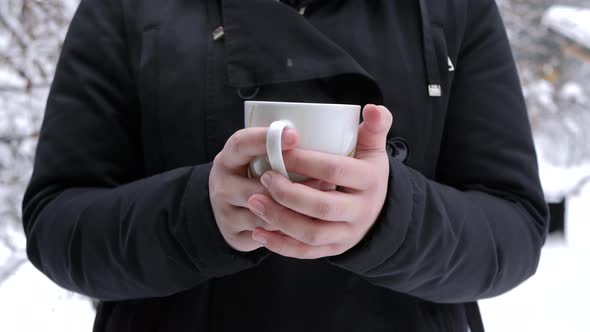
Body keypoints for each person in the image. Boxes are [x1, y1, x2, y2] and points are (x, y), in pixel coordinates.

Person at [21, 0, 548, 331]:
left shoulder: (450, 8)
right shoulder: (129, 9)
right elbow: (57, 227)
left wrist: (391, 218)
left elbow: (515, 230)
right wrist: (199, 214)